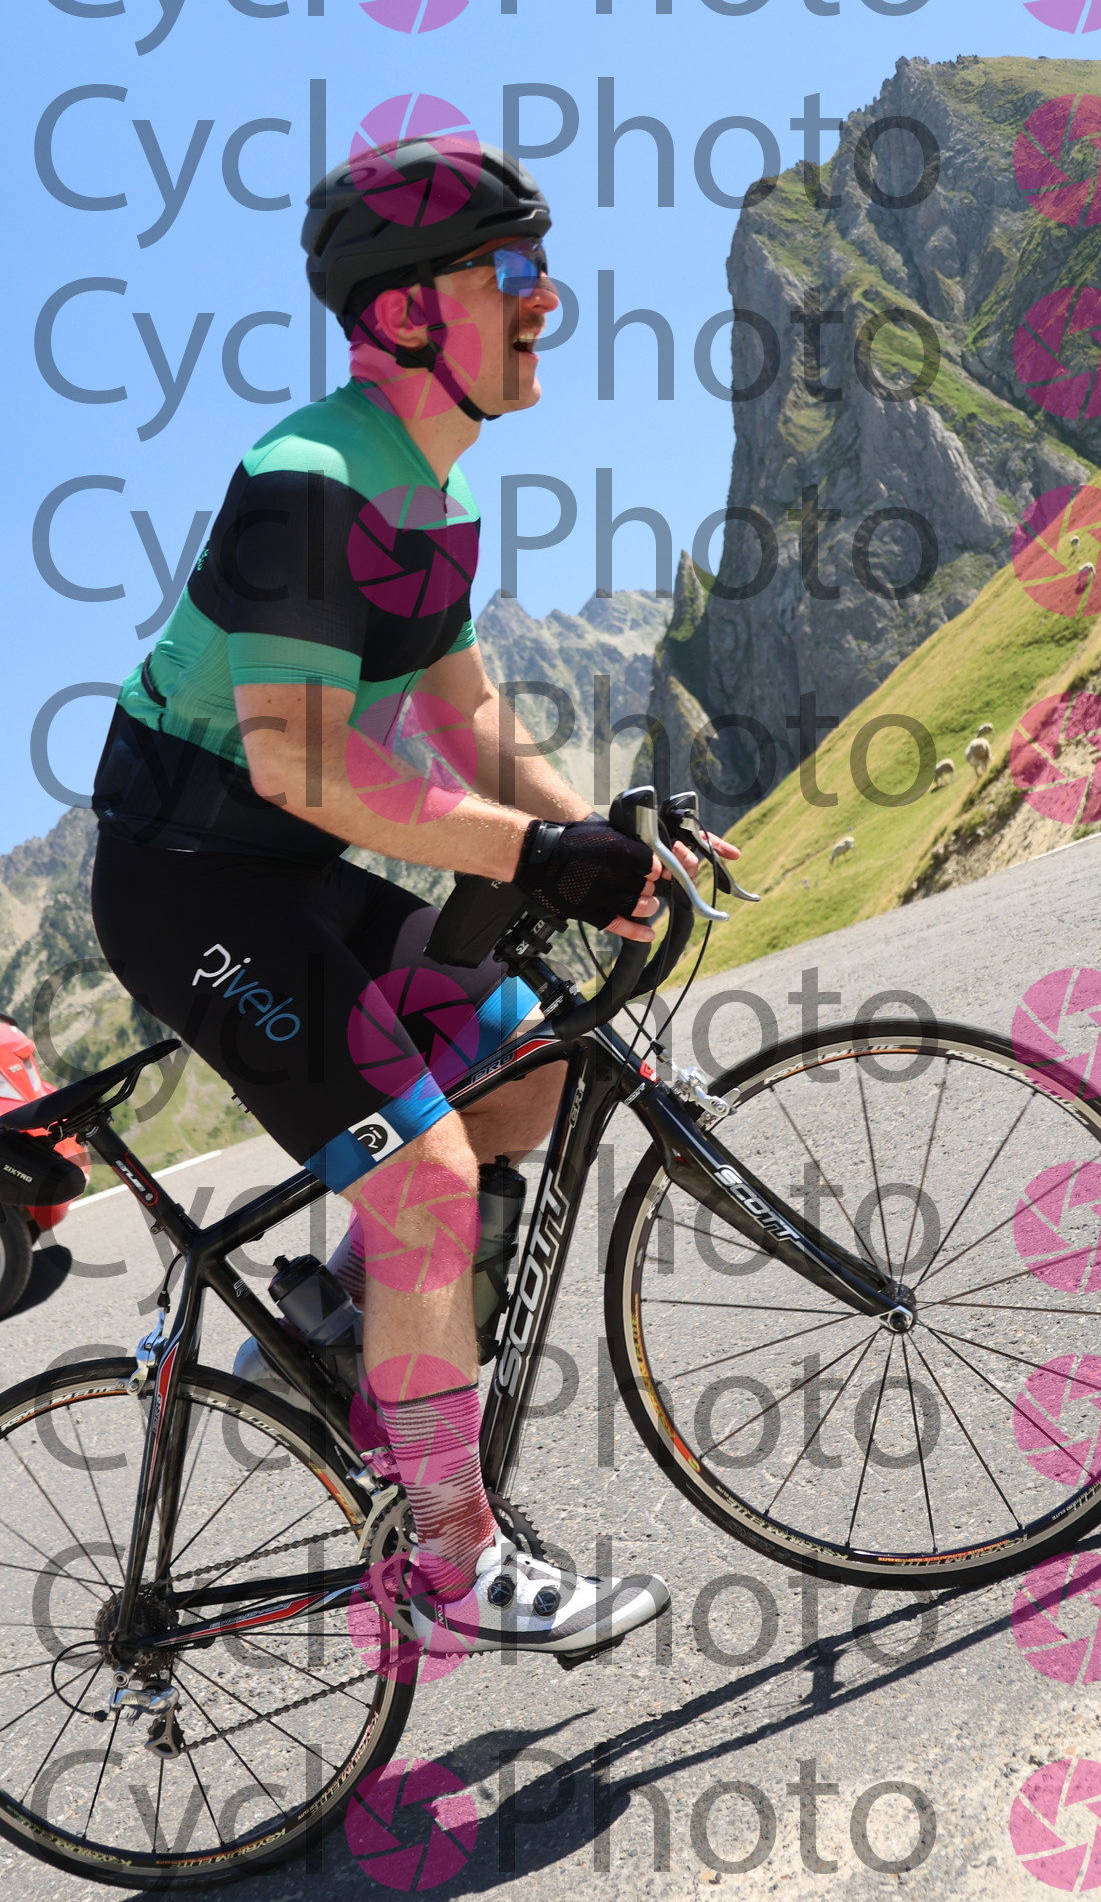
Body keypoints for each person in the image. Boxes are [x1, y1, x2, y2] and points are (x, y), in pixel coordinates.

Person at [89, 133, 737, 1659]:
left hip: (286, 874)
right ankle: (448, 1565)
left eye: (542, 270)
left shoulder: (427, 495)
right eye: (512, 272)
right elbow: (302, 759)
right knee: (428, 1173)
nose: (546, 301)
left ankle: (332, 1331)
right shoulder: (311, 486)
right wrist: (534, 858)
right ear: (399, 313)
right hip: (188, 890)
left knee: (520, 1072)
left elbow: (464, 716)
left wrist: (601, 839)